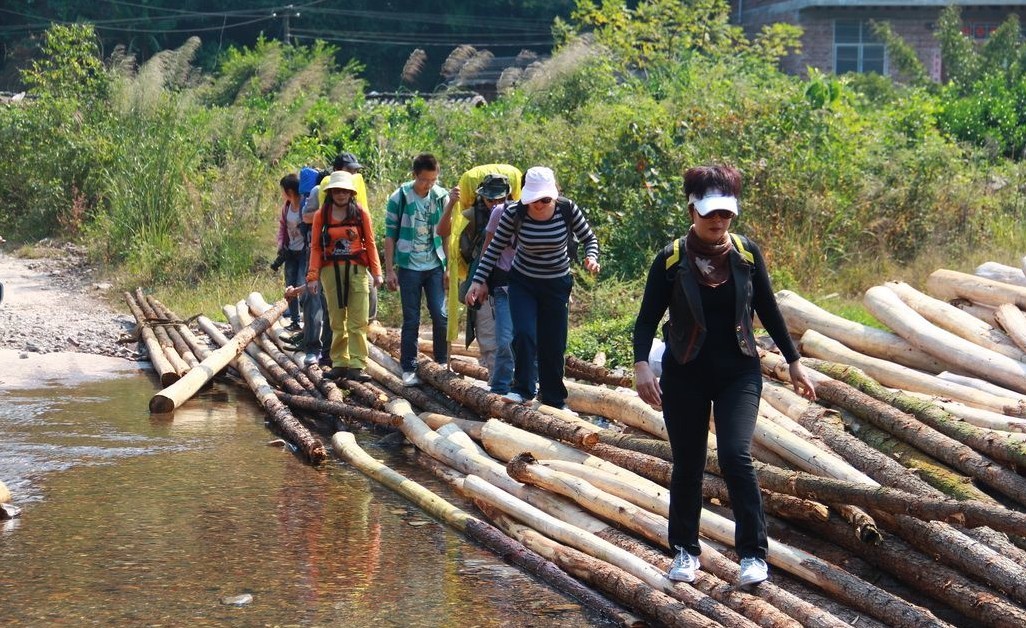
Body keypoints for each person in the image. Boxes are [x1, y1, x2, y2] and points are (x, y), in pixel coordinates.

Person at [631, 164, 817, 587]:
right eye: (710, 213)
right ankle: (684, 551)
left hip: (739, 372)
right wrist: (642, 364)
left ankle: (752, 555)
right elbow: (645, 321)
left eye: (726, 214)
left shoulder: (747, 254)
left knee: (736, 456)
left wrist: (793, 360)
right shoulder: (671, 259)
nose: (718, 222)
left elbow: (769, 310)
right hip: (684, 373)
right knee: (689, 463)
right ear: (692, 210)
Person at [465, 166, 599, 409]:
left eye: (545, 199)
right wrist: (477, 280)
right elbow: (493, 249)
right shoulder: (514, 213)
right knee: (524, 334)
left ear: (554, 195)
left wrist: (591, 257)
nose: (539, 205)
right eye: (534, 200)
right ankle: (522, 389)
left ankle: (553, 398)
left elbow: (589, 238)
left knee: (553, 342)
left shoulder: (567, 209)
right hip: (523, 282)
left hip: (557, 284)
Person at [438, 171, 518, 394]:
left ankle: (515, 384)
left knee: (513, 336)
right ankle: (497, 384)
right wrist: (450, 204)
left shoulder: (519, 214)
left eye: (499, 199)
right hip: (481, 282)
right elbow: (442, 231)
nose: (494, 204)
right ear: (481, 196)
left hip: (511, 283)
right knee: (488, 335)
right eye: (490, 199)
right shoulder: (470, 215)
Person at [384, 153, 455, 386]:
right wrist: (389, 271)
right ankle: (409, 366)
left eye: (433, 180)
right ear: (415, 175)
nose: (429, 184)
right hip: (408, 266)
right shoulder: (400, 197)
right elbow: (390, 236)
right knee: (412, 319)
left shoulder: (441, 196)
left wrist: (448, 266)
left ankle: (442, 363)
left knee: (440, 315)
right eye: (425, 180)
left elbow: (445, 233)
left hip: (435, 264)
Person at [305, 170, 383, 382]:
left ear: (351, 193)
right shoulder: (322, 214)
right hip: (331, 271)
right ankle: (339, 362)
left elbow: (371, 243)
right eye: (337, 191)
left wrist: (377, 272)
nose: (341, 194)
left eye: (345, 191)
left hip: (357, 270)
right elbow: (315, 247)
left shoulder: (360, 213)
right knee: (337, 319)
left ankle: (357, 365)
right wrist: (312, 276)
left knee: (358, 320)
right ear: (330, 192)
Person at [274, 173, 307, 332]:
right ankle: (295, 320)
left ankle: (307, 321)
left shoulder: (304, 206)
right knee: (290, 286)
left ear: (289, 191)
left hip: (304, 252)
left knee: (302, 285)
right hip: (290, 252)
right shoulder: (286, 208)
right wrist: (281, 244)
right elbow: (282, 228)